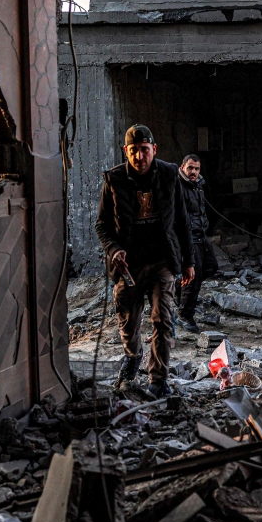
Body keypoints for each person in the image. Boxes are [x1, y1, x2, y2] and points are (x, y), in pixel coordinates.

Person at [96, 124, 194, 399]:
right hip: (129, 266)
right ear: (125, 151)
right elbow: (101, 225)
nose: (140, 157)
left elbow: (183, 222)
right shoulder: (114, 180)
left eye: (144, 150)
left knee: (163, 319)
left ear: (154, 149)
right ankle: (133, 355)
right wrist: (114, 249)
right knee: (128, 320)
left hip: (162, 260)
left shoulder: (168, 175)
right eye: (134, 151)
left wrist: (188, 261)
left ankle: (158, 380)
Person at [175, 154, 219, 334]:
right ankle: (184, 315)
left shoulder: (198, 186)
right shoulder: (178, 186)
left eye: (197, 169)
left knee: (211, 266)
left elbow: (200, 212)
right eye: (190, 168)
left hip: (201, 234)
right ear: (183, 167)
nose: (193, 172)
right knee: (194, 275)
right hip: (187, 237)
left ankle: (178, 287)